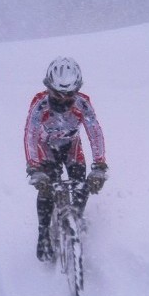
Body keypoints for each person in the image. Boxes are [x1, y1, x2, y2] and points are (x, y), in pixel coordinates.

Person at [24, 57, 108, 261]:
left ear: (77, 91)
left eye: (69, 95)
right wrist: (35, 169)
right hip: (46, 148)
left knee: (82, 183)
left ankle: (76, 217)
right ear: (48, 89)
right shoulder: (40, 104)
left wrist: (99, 166)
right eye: (57, 95)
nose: (62, 100)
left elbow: (94, 132)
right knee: (47, 187)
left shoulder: (83, 103)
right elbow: (30, 135)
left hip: (71, 147)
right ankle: (44, 233)